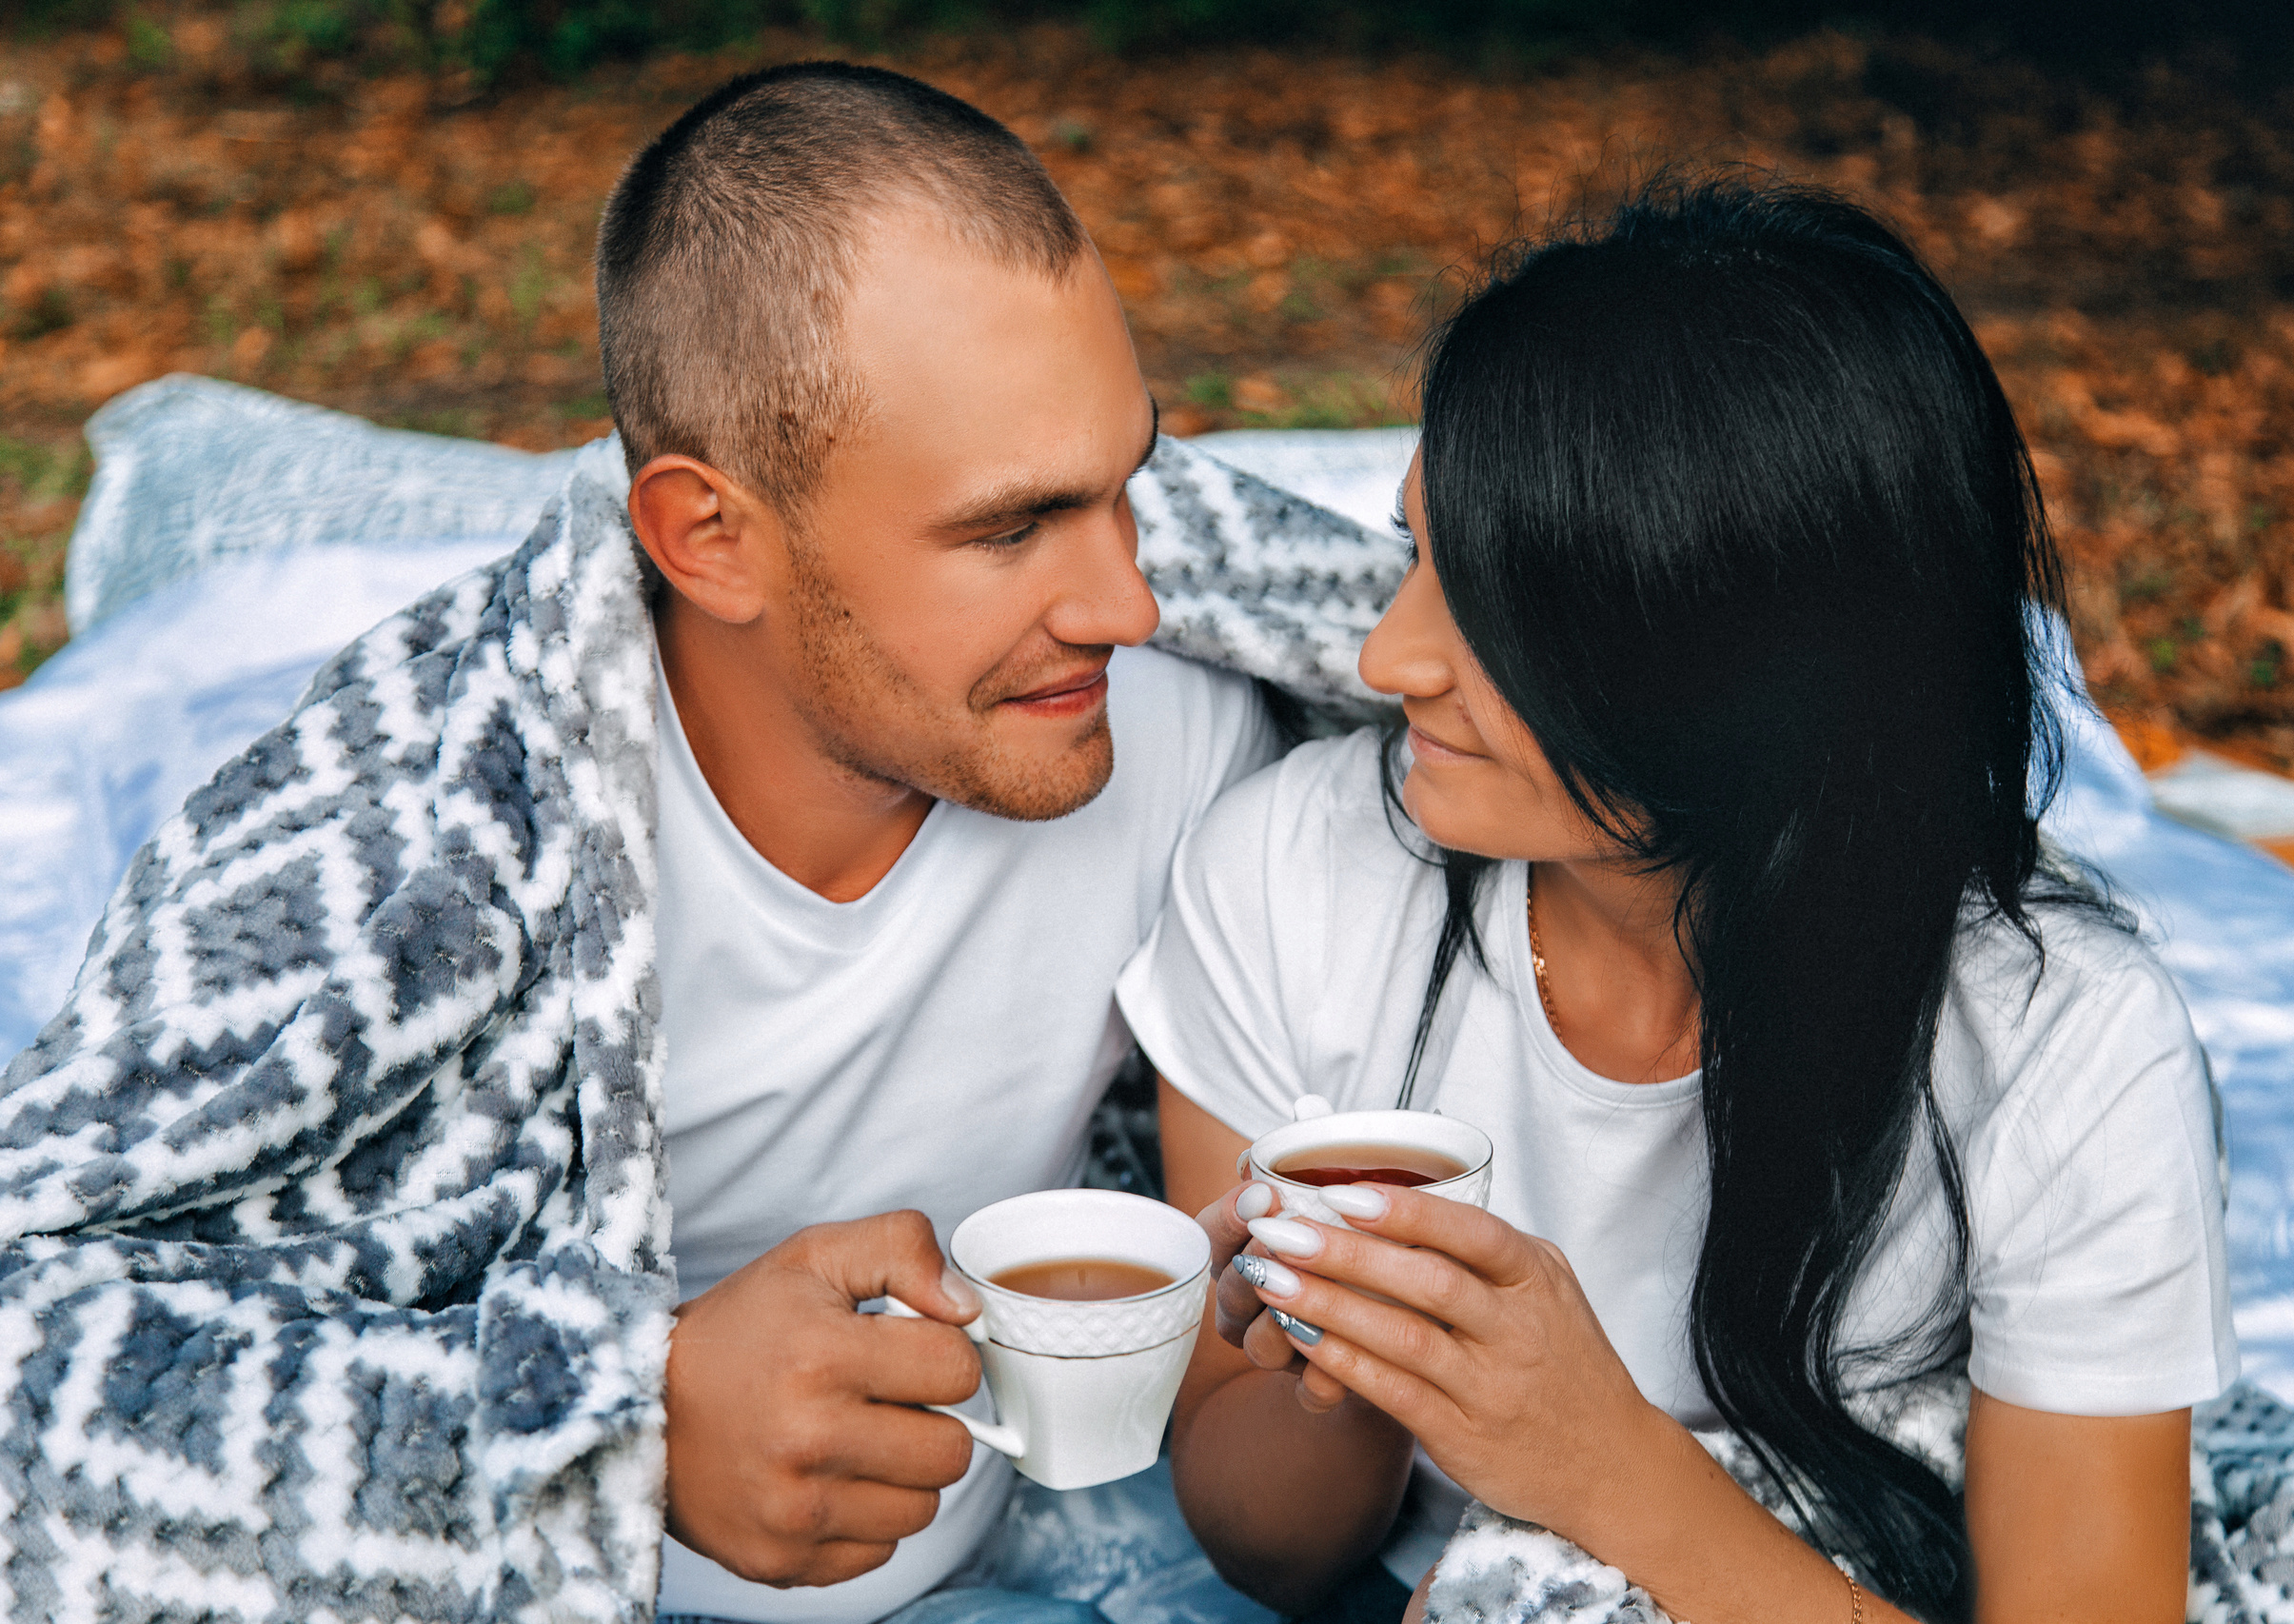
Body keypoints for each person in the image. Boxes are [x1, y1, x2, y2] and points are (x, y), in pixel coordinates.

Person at [0, 63, 1395, 1624]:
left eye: (1127, 487)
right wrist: (621, 1428)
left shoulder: (1188, 726)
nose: (1125, 602)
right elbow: (30, 1353)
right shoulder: (405, 838)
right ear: (708, 537)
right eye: (1010, 529)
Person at [1117, 179, 2236, 1624]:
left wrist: (1601, 1466)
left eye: (1496, 614)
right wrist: (1359, 1377)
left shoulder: (2061, 1045)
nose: (1390, 660)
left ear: (1737, 684)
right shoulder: (1288, 878)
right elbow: (1268, 1545)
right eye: (1414, 556)